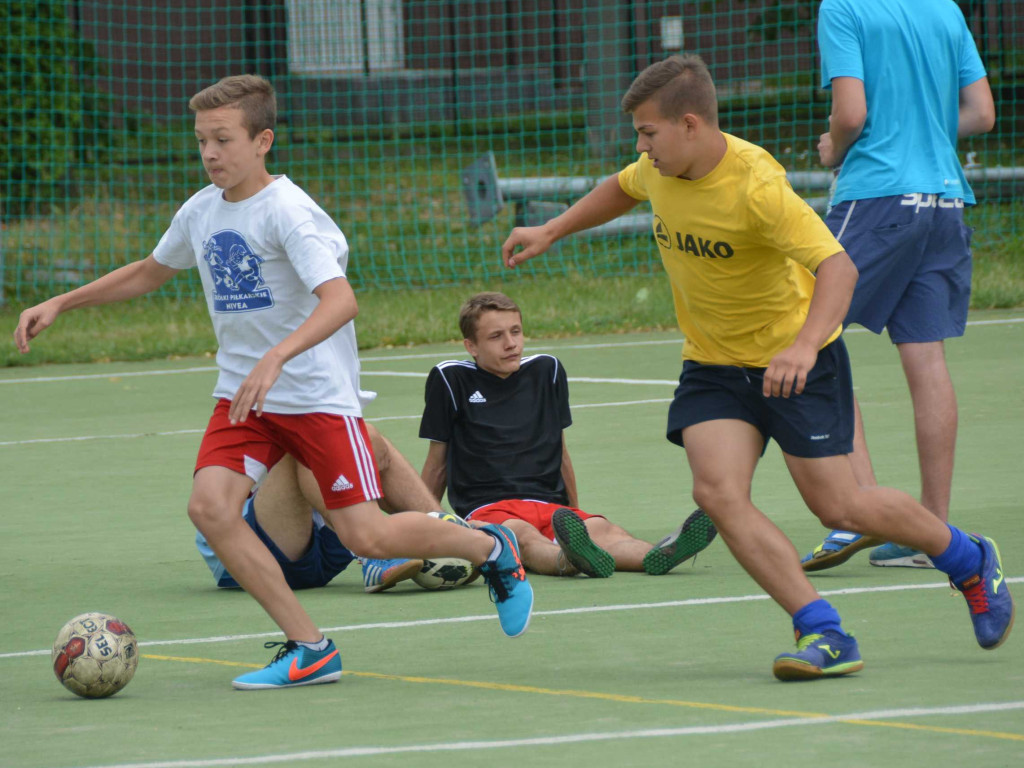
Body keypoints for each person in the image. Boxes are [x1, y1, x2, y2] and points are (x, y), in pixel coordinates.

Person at [500, 55, 1012, 681]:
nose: (642, 146)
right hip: (713, 366)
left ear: (690, 124)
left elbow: (839, 269)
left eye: (648, 132)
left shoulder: (756, 186)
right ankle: (823, 630)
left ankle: (965, 556)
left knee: (841, 508)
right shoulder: (661, 169)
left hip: (796, 364)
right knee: (716, 493)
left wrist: (802, 346)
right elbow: (624, 185)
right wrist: (554, 228)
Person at [14, 74, 533, 691]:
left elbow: (340, 301)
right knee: (210, 507)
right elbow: (152, 271)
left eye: (223, 139)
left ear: (262, 141)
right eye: (202, 140)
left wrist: (277, 356)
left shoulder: (289, 212)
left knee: (367, 537)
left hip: (313, 397)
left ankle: (489, 547)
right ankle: (310, 647)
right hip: (245, 397)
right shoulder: (201, 210)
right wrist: (62, 303)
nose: (209, 153)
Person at [800, 0, 997, 571]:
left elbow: (852, 114)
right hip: (943, 200)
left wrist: (835, 147)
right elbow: (981, 113)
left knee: (808, 335)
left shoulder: (843, 8)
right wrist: (925, 127)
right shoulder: (945, 10)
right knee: (926, 358)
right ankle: (931, 530)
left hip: (877, 194)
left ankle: (856, 513)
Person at [418, 292, 718, 579]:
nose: (511, 343)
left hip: (550, 504)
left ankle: (656, 555)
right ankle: (568, 560)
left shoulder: (546, 371)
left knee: (604, 530)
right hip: (489, 508)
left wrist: (574, 513)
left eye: (516, 331)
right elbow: (437, 464)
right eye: (496, 337)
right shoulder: (451, 378)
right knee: (521, 538)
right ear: (471, 346)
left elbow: (559, 451)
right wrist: (423, 526)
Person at [196, 422, 444, 594]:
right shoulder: (258, 382)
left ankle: (448, 535)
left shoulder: (323, 372)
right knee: (309, 441)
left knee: (364, 438)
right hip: (248, 548)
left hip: (326, 534)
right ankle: (375, 554)